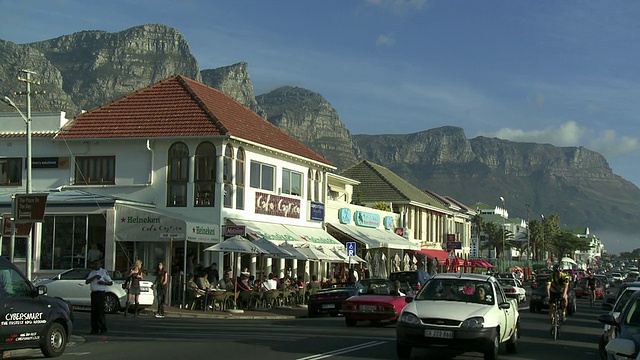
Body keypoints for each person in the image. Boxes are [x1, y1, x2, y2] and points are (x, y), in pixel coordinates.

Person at [86, 260, 112, 334]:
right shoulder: (92, 272)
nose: (96, 265)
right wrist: (94, 277)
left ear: (100, 264)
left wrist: (103, 282)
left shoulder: (104, 272)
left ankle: (103, 328)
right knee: (94, 312)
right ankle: (94, 329)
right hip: (94, 293)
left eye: (98, 264)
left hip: (101, 293)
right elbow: (87, 281)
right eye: (95, 264)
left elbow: (110, 282)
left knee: (100, 311)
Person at [546, 263, 570, 327]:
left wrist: (564, 295)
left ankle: (563, 312)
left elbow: (566, 287)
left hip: (562, 291)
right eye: (556, 272)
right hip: (553, 291)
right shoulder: (551, 276)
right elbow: (548, 286)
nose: (558, 273)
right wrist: (548, 295)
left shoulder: (565, 277)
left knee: (564, 300)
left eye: (560, 271)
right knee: (552, 305)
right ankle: (552, 317)